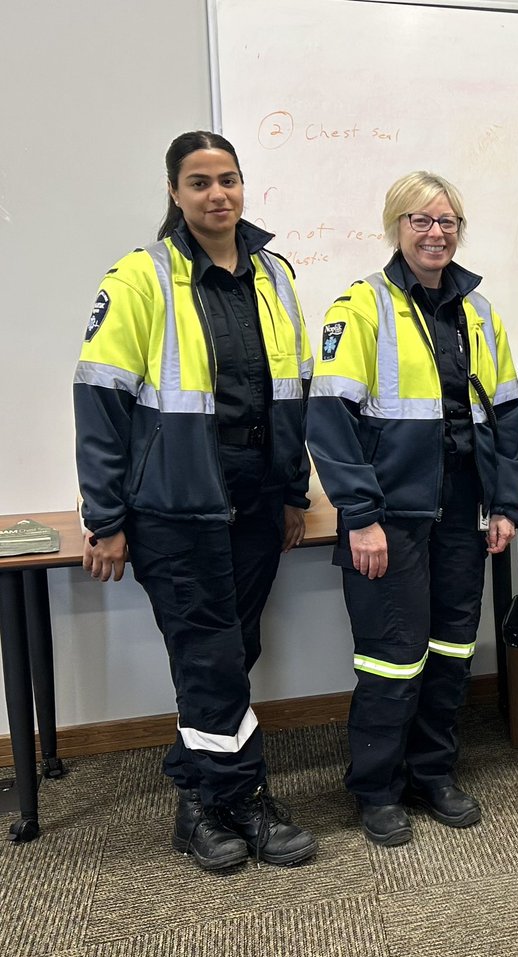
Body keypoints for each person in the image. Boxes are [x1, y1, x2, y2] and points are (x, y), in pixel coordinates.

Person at [74, 130, 317, 872]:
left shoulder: (275, 273)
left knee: (232, 649)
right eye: (201, 182)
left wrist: (293, 491)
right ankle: (242, 799)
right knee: (211, 654)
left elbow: (294, 389)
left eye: (229, 179)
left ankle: (195, 794)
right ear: (175, 193)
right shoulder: (141, 277)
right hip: (175, 502)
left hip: (257, 492)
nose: (219, 194)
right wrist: (104, 518)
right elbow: (100, 401)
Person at [307, 171, 518, 847]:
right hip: (390, 516)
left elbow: (507, 415)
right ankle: (377, 787)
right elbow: (329, 422)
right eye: (421, 220)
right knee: (392, 657)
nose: (436, 233)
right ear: (396, 227)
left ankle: (433, 772)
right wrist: (361, 516)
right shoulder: (361, 306)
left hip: (462, 508)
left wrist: (506, 504)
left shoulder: (479, 311)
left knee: (452, 648)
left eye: (447, 221)